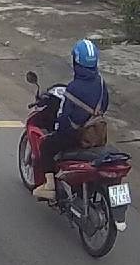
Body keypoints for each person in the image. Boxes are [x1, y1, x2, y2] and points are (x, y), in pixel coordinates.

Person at [33, 39, 110, 201]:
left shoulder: (73, 88)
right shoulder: (101, 83)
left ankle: (50, 186)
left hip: (76, 137)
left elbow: (63, 118)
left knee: (46, 145)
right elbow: (105, 105)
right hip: (98, 134)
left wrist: (57, 131)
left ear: (76, 61)